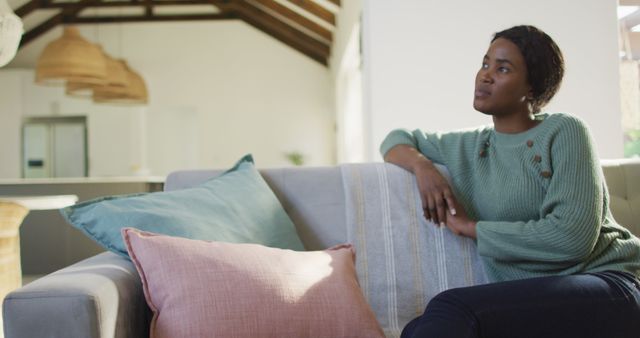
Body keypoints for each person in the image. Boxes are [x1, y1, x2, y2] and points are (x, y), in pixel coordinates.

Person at [380, 25, 640, 338]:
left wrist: (474, 228)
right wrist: (423, 168)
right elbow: (396, 140)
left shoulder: (565, 131)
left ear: (532, 87)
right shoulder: (469, 146)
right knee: (415, 329)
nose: (485, 75)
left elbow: (572, 238)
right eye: (485, 63)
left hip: (610, 284)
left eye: (502, 68)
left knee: (452, 309)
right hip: (535, 299)